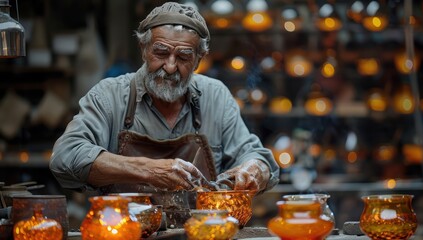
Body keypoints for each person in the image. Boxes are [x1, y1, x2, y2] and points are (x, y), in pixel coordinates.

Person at [49, 2, 279, 197]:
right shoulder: (110, 96)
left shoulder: (215, 96)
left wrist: (255, 169)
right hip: (127, 231)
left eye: (183, 57)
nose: (170, 67)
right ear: (143, 49)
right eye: (160, 53)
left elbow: (257, 157)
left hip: (202, 231)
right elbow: (65, 156)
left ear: (199, 60)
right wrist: (148, 169)